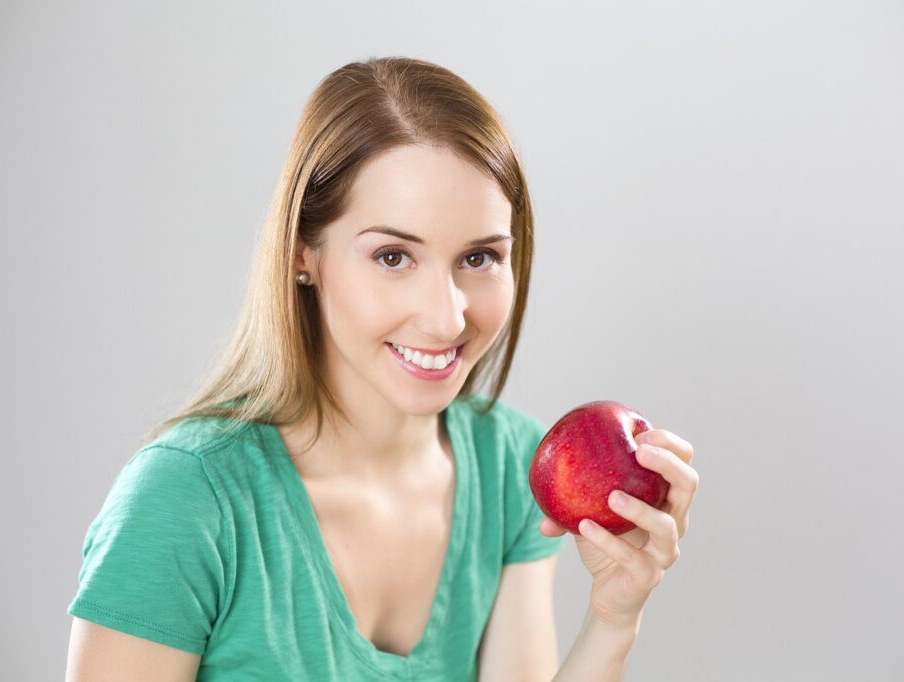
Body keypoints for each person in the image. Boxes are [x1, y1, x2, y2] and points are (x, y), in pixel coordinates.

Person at [64, 56, 699, 681]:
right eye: (394, 257)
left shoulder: (510, 465)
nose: (447, 318)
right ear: (303, 256)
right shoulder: (184, 499)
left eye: (479, 258)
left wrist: (614, 618)